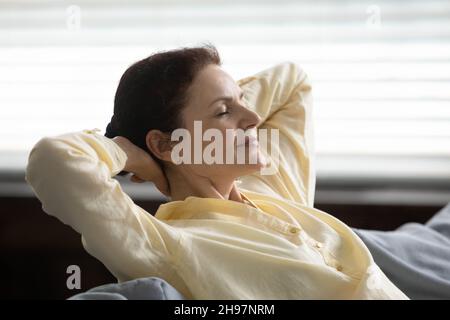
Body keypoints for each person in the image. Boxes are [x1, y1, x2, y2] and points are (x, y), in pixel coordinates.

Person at [25, 44, 411, 299]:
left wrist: (220, 112)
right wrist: (134, 153)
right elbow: (53, 161)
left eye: (244, 103)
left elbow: (294, 81)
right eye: (225, 112)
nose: (254, 119)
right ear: (165, 143)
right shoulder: (167, 245)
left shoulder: (274, 191)